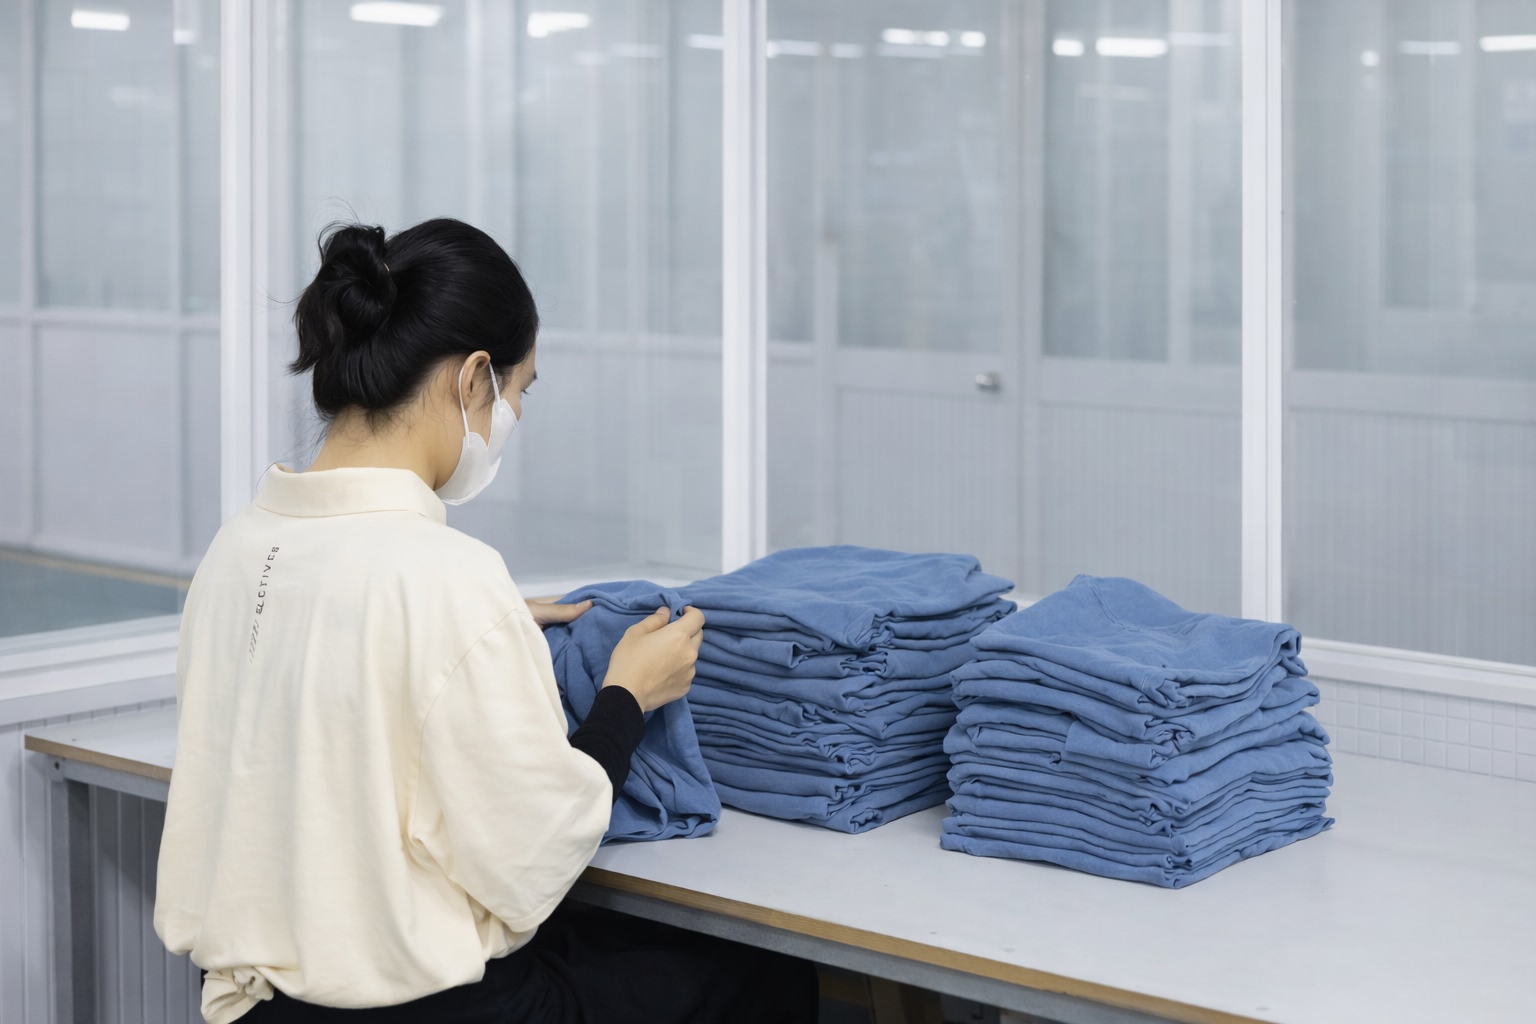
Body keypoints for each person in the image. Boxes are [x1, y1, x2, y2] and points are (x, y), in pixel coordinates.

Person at [153, 219, 819, 1023]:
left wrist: (484, 630)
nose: (514, 415)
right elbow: (536, 857)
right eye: (519, 390)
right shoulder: (446, 578)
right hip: (421, 1008)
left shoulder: (239, 546)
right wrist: (626, 700)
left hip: (255, 1004)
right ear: (473, 379)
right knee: (767, 974)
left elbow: (328, 672)